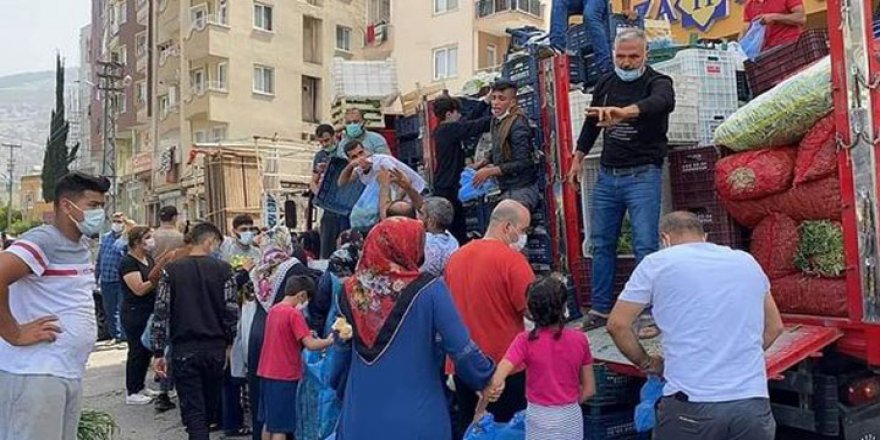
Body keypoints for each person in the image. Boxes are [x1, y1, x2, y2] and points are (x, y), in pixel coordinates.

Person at [606, 212, 785, 440]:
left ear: (665, 239)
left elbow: (617, 325)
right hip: (752, 405)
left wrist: (648, 363)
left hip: (691, 406)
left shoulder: (657, 263)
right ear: (705, 237)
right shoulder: (746, 261)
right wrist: (736, 354)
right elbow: (775, 326)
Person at [332, 217, 495, 440]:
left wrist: (339, 387)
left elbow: (339, 357)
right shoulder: (430, 289)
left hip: (360, 412)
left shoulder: (349, 291)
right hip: (418, 416)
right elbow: (461, 348)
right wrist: (486, 377)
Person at [566, 28, 675, 330]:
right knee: (601, 244)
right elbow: (591, 124)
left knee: (645, 246)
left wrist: (624, 112)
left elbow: (661, 103)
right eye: (621, 56)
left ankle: (648, 313)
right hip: (607, 176)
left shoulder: (658, 82)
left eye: (633, 56)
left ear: (645, 55)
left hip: (643, 175)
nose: (626, 63)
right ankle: (601, 309)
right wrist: (576, 158)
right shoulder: (606, 82)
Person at [0, 172, 110, 440]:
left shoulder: (80, 244)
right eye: (93, 206)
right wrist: (13, 332)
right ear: (66, 205)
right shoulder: (43, 241)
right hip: (36, 373)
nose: (100, 213)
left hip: (65, 371)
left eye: (101, 206)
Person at [444, 200, 534, 432]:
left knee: (471, 429)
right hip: (505, 367)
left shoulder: (456, 258)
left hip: (464, 366)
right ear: (507, 227)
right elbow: (532, 310)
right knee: (508, 431)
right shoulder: (513, 261)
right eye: (522, 230)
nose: (523, 236)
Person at [151, 222, 240, 440]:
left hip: (183, 349)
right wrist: (230, 343)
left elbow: (161, 311)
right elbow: (231, 311)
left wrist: (158, 351)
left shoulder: (171, 271)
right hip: (215, 348)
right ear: (210, 241)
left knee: (194, 413)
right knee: (208, 410)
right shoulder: (224, 270)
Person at [488, 276, 596, 439]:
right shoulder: (579, 340)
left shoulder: (524, 341)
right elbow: (589, 390)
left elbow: (499, 375)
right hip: (570, 417)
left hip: (538, 417)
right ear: (564, 307)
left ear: (530, 311)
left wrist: (495, 388)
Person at [246, 227, 320, 440]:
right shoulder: (292, 266)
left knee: (263, 400)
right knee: (281, 407)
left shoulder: (259, 268)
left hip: (259, 330)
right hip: (283, 334)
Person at [257, 275, 334, 440]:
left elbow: (287, 335)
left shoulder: (274, 310)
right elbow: (310, 345)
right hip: (284, 375)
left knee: (269, 422)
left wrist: (308, 334)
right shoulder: (294, 314)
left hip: (265, 371)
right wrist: (330, 340)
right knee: (281, 427)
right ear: (302, 295)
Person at [472, 80, 541, 213]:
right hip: (507, 187)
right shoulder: (496, 120)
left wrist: (491, 171)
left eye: (501, 99)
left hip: (521, 189)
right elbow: (500, 145)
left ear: (513, 102)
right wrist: (485, 161)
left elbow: (523, 162)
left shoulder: (518, 124)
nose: (495, 102)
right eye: (493, 98)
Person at [432, 95, 492, 243]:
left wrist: (485, 103)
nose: (460, 116)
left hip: (446, 185)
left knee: (456, 225)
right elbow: (472, 126)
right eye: (458, 113)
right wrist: (499, 116)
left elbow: (467, 122)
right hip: (448, 187)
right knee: (455, 227)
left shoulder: (443, 130)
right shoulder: (448, 129)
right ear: (449, 114)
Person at [339, 141, 426, 231]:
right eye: (354, 157)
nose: (360, 158)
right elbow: (341, 182)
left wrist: (395, 204)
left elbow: (404, 181)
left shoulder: (383, 163)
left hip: (417, 193)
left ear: (366, 151)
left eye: (361, 153)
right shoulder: (359, 169)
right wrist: (350, 166)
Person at [119, 226, 159, 405]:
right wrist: (155, 279)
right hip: (135, 312)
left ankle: (142, 385)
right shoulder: (128, 262)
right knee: (136, 350)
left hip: (149, 310)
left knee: (146, 350)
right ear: (137, 242)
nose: (152, 241)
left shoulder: (147, 258)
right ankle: (132, 390)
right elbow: (139, 289)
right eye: (148, 237)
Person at [312, 123, 350, 259]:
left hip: (346, 202)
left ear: (334, 136)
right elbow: (313, 181)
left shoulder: (345, 150)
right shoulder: (320, 156)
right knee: (327, 242)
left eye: (326, 140)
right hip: (329, 206)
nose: (324, 144)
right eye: (321, 142)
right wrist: (320, 195)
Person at [96, 212, 127, 342]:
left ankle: (123, 336)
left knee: (122, 308)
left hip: (120, 280)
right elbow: (100, 258)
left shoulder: (126, 239)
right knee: (110, 309)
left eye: (119, 221)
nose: (116, 224)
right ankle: (115, 335)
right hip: (106, 280)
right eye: (115, 221)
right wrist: (96, 275)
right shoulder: (105, 237)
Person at [418, 197, 459, 277]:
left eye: (422, 214)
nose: (418, 217)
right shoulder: (453, 241)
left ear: (431, 221)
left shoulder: (425, 242)